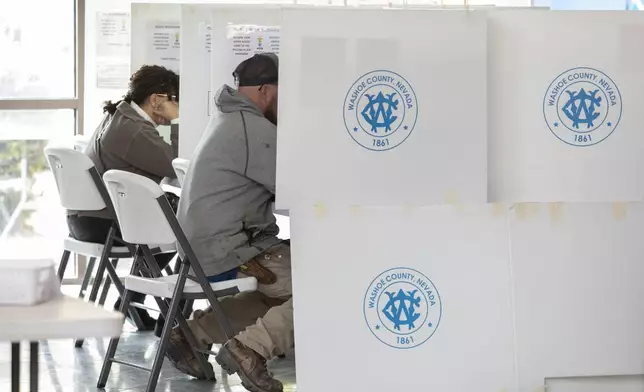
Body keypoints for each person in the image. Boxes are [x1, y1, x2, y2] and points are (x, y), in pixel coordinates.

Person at [165, 53, 292, 392]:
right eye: (286, 91)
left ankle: (192, 334)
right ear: (266, 90)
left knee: (276, 294)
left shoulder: (226, 116)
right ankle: (250, 348)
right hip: (232, 251)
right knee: (322, 286)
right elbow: (297, 192)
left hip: (201, 250)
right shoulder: (255, 130)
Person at [66, 65, 181, 330]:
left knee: (172, 218)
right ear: (156, 99)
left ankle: (133, 303)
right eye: (174, 99)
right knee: (186, 225)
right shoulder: (135, 130)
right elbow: (174, 164)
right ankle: (172, 324)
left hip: (87, 219)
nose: (177, 106)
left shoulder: (120, 115)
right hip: (103, 224)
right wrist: (178, 121)